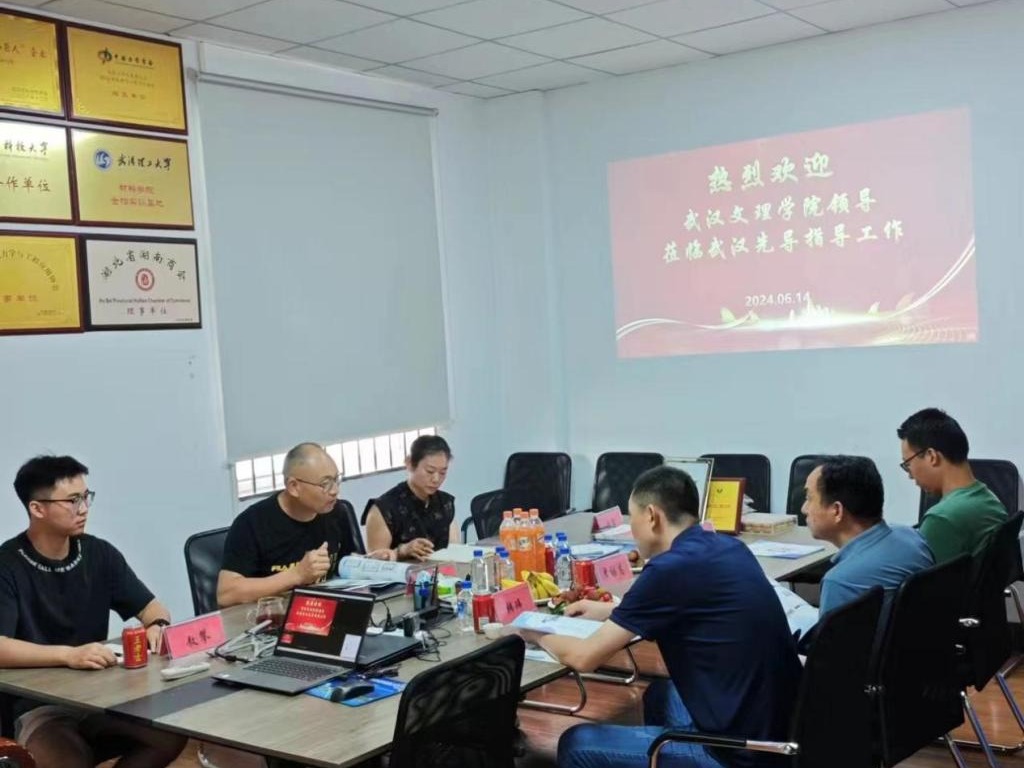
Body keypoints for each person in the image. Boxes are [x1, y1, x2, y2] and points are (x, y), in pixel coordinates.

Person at [521, 465, 801, 768]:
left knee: (577, 744)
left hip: (739, 753)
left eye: (633, 518)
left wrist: (530, 633)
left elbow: (583, 658)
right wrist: (608, 611)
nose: (631, 530)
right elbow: (688, 607)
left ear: (652, 516)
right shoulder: (728, 547)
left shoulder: (668, 569)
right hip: (781, 728)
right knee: (661, 694)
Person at [0, 455, 186, 768]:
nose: (84, 508)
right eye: (72, 500)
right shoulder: (7, 564)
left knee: (170, 735)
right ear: (37, 509)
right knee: (69, 760)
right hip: (37, 705)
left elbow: (153, 608)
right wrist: (68, 655)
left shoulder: (98, 553)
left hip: (99, 698)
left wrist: (157, 624)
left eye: (86, 497)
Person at [218, 442, 385, 608]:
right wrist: (296, 575)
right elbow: (226, 594)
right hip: (272, 615)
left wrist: (373, 562)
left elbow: (346, 563)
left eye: (336, 480)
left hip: (325, 610)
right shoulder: (252, 523)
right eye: (325, 484)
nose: (335, 490)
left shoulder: (337, 512)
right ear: (294, 487)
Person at [802, 455, 933, 616]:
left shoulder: (840, 581)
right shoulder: (913, 538)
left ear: (837, 511)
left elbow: (830, 634)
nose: (804, 509)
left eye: (809, 498)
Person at [898, 408, 1007, 563]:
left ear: (931, 456)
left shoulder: (942, 520)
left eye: (907, 464)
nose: (910, 475)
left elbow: (916, 576)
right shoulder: (989, 499)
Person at [365, 435, 459, 561]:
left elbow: (454, 551)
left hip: (440, 571)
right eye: (430, 471)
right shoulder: (384, 509)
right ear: (409, 464)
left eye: (442, 472)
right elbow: (373, 564)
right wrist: (402, 551)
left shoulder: (445, 503)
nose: (436, 479)